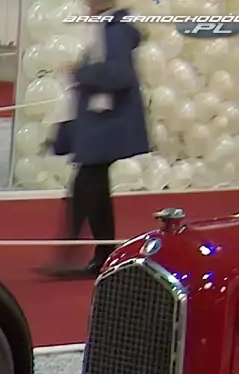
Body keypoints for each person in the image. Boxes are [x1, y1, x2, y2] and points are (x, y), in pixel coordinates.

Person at [41, 0, 148, 278]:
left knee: (85, 189)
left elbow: (119, 75)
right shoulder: (107, 28)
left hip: (107, 125)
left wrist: (81, 72)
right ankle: (103, 256)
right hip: (103, 124)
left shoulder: (115, 30)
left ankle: (71, 253)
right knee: (96, 193)